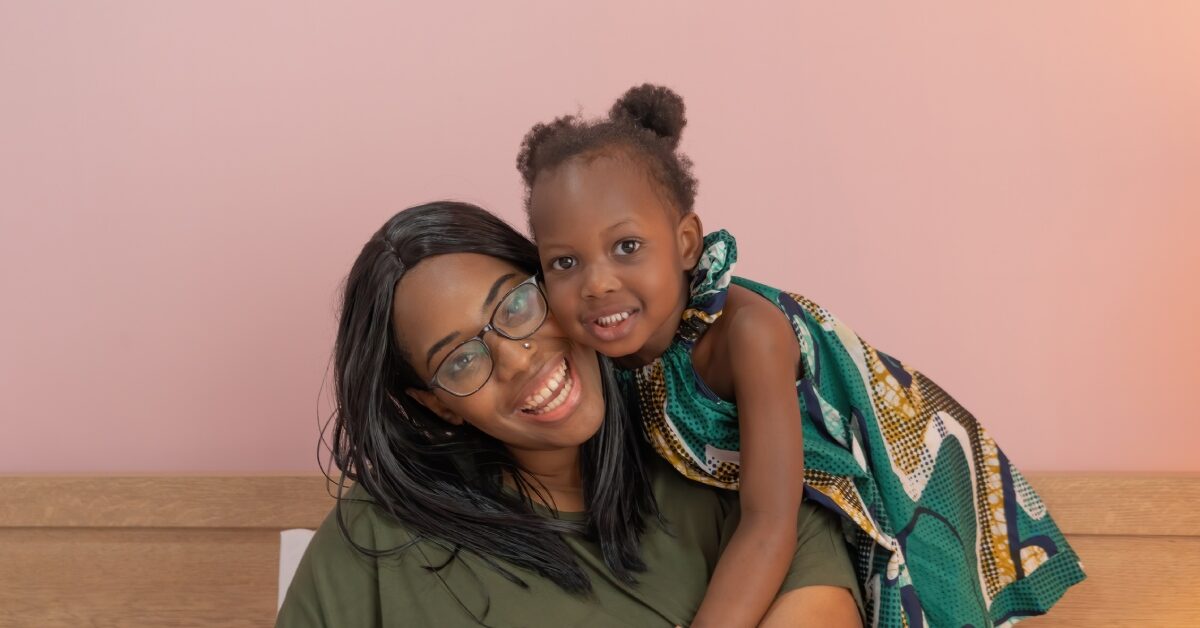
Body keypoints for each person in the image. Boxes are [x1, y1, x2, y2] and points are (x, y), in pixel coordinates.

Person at [516, 84, 1085, 627]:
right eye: (565, 262)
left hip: (891, 468)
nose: (596, 283)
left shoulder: (749, 335)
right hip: (782, 495)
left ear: (687, 243)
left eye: (627, 247)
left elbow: (769, 522)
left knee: (915, 597)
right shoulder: (591, 351)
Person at [276, 201, 863, 627]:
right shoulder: (374, 541)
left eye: (516, 304)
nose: (517, 359)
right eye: (459, 362)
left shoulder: (724, 456)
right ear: (435, 404)